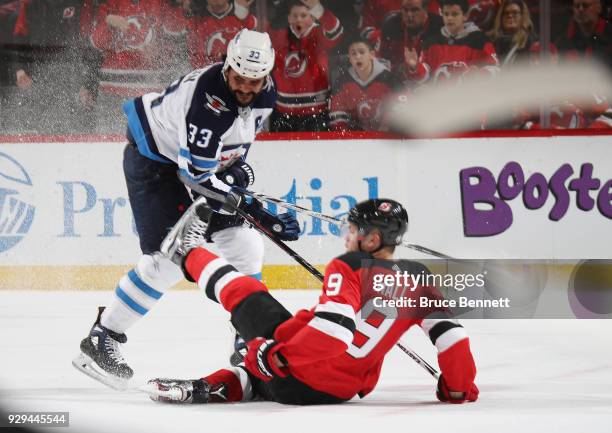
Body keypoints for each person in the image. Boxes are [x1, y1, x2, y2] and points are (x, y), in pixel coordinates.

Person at [73, 29, 300, 390]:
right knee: (171, 258)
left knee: (245, 245)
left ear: (267, 76)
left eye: (254, 81)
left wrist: (238, 171)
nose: (245, 87)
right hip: (155, 163)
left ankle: (248, 335)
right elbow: (194, 176)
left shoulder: (265, 92)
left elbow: (232, 145)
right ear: (228, 67)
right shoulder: (209, 101)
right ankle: (102, 339)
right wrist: (260, 212)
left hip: (193, 166)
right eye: (239, 78)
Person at [142, 197, 479, 406]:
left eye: (353, 230)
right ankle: (227, 385)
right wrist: (456, 389)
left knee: (247, 295)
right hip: (336, 393)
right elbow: (453, 339)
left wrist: (277, 357)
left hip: (298, 369)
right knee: (257, 374)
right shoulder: (420, 282)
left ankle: (186, 252)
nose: (347, 237)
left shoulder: (349, 267)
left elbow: (334, 334)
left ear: (372, 239)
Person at [269, 0, 343, 132]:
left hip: (317, 112)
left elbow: (336, 32)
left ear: (312, 16)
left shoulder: (319, 34)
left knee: (317, 152)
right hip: (283, 112)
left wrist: (317, 7)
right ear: (289, 18)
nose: (299, 19)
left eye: (303, 15)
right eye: (295, 15)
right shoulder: (278, 36)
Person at [404, 0, 499, 85]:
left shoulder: (480, 41)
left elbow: (495, 71)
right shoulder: (431, 42)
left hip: (471, 100)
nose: (449, 18)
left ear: (465, 16)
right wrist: (415, 67)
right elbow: (425, 78)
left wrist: (479, 75)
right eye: (446, 14)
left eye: (454, 14)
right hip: (439, 100)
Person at [330, 38, 400, 131]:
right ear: (350, 58)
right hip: (355, 141)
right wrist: (347, 135)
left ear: (372, 55)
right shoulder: (342, 81)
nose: (358, 57)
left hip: (387, 140)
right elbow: (337, 114)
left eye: (362, 52)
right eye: (353, 54)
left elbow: (401, 105)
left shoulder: (389, 79)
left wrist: (387, 126)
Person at [379, 0, 443, 79]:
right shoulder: (391, 23)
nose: (409, 15)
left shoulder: (439, 27)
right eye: (405, 10)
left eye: (415, 10)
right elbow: (382, 59)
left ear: (425, 9)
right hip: (398, 82)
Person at [185, 0, 257, 69]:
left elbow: (255, 49)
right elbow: (193, 56)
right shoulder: (196, 21)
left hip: (238, 75)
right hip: (209, 76)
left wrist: (246, 16)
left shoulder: (244, 18)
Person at [556, 0, 611, 70]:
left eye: (585, 6)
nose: (580, 9)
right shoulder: (564, 40)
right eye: (577, 6)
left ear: (598, 8)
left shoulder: (609, 36)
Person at [487, 0, 538, 67]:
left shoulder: (530, 42)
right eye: (506, 13)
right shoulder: (489, 40)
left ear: (523, 16)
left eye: (515, 13)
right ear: (501, 17)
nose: (510, 16)